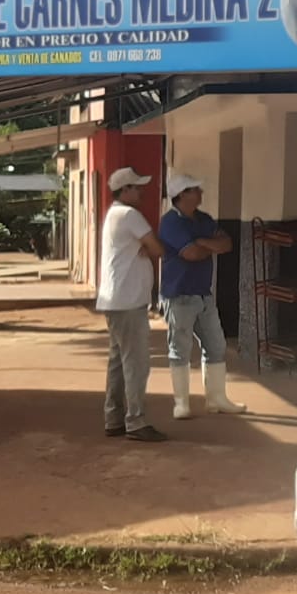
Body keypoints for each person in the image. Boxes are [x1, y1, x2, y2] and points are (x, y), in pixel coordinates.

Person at [158, 171, 248, 419]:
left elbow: (226, 244)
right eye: (194, 189)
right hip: (178, 295)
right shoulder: (170, 222)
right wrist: (208, 244)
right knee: (180, 349)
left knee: (216, 346)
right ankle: (181, 403)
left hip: (203, 295)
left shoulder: (204, 219)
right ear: (181, 195)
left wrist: (201, 242)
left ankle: (216, 398)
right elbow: (191, 254)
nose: (200, 193)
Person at [96, 167, 166, 443]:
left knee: (118, 361)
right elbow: (157, 248)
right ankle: (135, 421)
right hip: (128, 300)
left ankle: (113, 418)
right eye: (136, 187)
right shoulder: (129, 215)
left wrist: (144, 248)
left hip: (116, 299)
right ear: (124, 190)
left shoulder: (114, 214)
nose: (141, 191)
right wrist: (147, 248)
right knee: (135, 363)